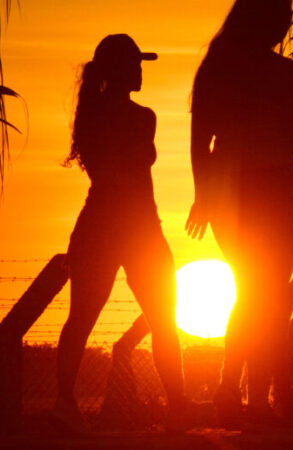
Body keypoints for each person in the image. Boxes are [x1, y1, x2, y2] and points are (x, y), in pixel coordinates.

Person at [187, 0, 293, 426]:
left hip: (243, 192)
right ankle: (244, 396)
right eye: (281, 15)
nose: (286, 23)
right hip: (266, 191)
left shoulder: (220, 69)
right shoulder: (277, 73)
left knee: (257, 295)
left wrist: (205, 195)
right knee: (262, 296)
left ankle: (240, 394)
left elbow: (202, 143)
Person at [55, 34, 185, 433]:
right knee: (104, 317)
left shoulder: (103, 116)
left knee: (151, 317)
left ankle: (178, 406)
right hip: (132, 226)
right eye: (135, 65)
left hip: (120, 225)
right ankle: (66, 404)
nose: (141, 71)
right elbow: (127, 166)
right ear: (120, 70)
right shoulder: (137, 118)